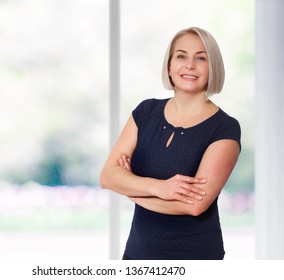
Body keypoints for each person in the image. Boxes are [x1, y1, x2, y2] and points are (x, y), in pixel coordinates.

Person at [99, 27, 241, 260]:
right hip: (137, 255)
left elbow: (194, 205)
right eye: (181, 56)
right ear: (169, 65)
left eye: (201, 58)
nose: (190, 65)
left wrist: (133, 190)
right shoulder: (145, 112)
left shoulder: (224, 128)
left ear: (212, 66)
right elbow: (107, 177)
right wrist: (160, 189)